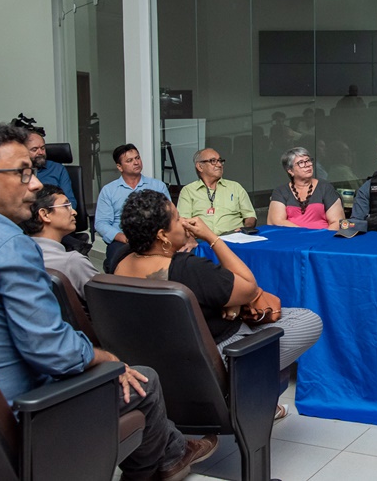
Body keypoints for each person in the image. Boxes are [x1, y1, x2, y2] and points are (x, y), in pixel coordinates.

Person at [0, 123, 217, 481]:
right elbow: (52, 351)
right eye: (23, 173)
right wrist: (109, 359)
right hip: (28, 410)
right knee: (142, 379)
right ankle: (161, 465)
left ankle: (173, 450)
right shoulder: (8, 246)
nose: (36, 184)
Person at [114, 189, 323, 419]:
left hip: (161, 362)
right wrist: (211, 237)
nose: (184, 221)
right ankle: (248, 395)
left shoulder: (120, 262)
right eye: (177, 218)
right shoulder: (187, 269)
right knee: (308, 320)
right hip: (216, 361)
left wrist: (228, 304)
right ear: (163, 236)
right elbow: (249, 287)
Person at [96, 143, 172, 272]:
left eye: (137, 158)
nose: (136, 162)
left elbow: (170, 215)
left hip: (155, 238)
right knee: (117, 263)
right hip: (123, 240)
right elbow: (101, 223)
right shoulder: (109, 190)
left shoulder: (158, 186)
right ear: (119, 167)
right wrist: (122, 237)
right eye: (129, 160)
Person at [19, 184, 98, 299]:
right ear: (45, 215)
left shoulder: (17, 256)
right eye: (66, 206)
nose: (74, 212)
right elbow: (107, 303)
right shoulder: (72, 262)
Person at [177, 148, 257, 237]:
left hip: (234, 238)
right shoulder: (188, 191)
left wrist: (245, 229)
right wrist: (190, 239)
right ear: (200, 166)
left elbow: (250, 216)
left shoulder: (235, 187)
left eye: (220, 161)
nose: (219, 164)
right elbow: (183, 222)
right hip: (202, 242)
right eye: (213, 161)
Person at [267, 147, 345, 230]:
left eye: (308, 160)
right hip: (291, 239)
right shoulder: (281, 192)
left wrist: (322, 239)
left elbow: (337, 222)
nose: (307, 165)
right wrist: (305, 235)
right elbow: (277, 221)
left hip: (323, 239)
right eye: (301, 162)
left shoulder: (325, 188)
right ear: (290, 171)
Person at [11, 114, 77, 207]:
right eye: (34, 149)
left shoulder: (57, 169)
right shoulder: (15, 170)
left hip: (52, 216)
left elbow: (71, 203)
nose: (40, 152)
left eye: (42, 148)